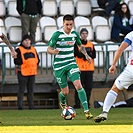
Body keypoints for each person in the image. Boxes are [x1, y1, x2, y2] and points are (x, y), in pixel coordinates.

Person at [47, 14, 93, 119]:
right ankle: (62, 101)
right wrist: (53, 51)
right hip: (59, 66)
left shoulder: (74, 34)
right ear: (63, 23)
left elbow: (80, 46)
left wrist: (86, 55)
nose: (69, 27)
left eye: (70, 24)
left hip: (71, 63)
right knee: (65, 91)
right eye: (67, 24)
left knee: (78, 85)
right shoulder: (57, 35)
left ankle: (86, 111)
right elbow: (48, 49)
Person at [94, 31, 133, 123]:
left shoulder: (131, 34)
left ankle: (105, 112)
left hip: (131, 68)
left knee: (115, 88)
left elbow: (120, 49)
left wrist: (113, 65)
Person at [13, 34, 40, 110]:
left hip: (32, 73)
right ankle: (20, 106)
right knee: (21, 90)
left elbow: (37, 60)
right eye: (26, 40)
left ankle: (31, 106)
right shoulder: (18, 50)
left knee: (30, 90)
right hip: (22, 73)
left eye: (28, 40)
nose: (27, 42)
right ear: (22, 41)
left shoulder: (33, 49)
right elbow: (16, 61)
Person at [74, 28, 96, 109]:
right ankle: (77, 104)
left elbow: (94, 55)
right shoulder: (77, 44)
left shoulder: (91, 44)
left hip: (89, 69)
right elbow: (77, 54)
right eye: (83, 33)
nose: (84, 35)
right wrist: (87, 55)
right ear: (80, 34)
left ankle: (87, 104)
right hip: (80, 69)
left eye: (85, 33)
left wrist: (84, 55)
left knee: (88, 87)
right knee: (79, 87)